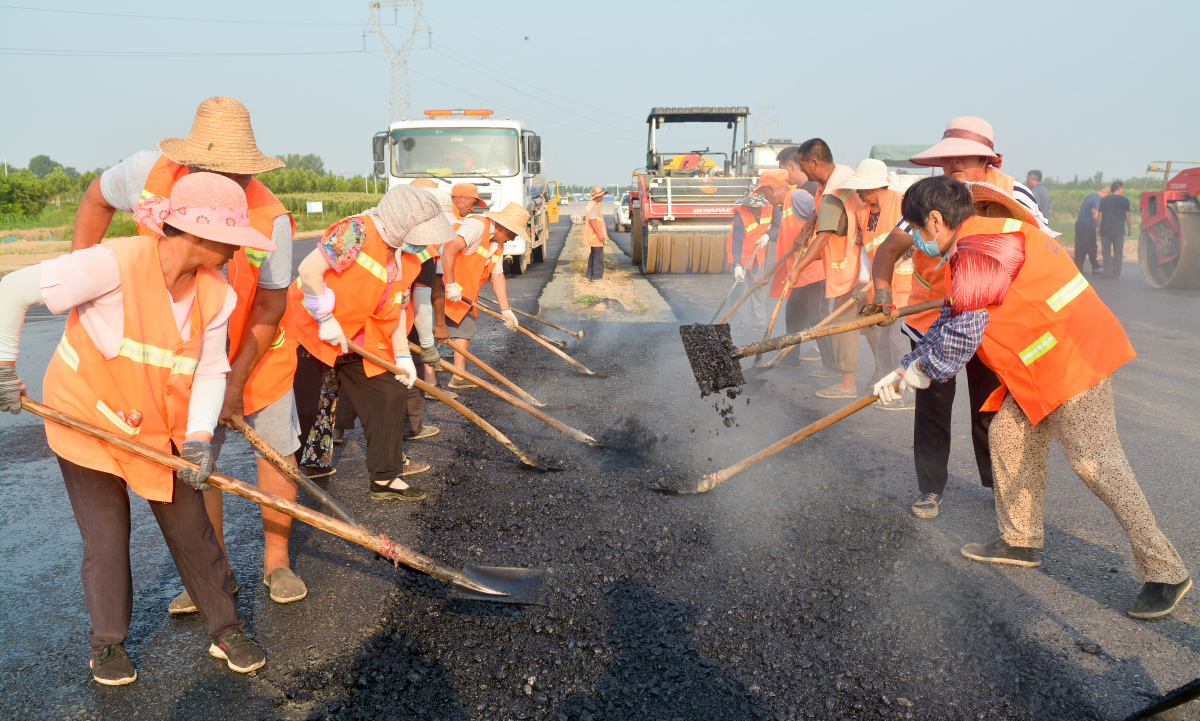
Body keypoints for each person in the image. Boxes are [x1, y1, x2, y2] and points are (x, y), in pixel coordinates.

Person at [875, 177, 1191, 620]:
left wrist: (918, 373)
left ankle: (1166, 570)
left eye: (917, 231)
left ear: (933, 220)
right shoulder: (980, 240)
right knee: (1007, 436)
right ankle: (1020, 540)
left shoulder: (978, 250)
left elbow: (963, 335)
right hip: (1039, 364)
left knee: (1095, 462)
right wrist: (901, 368)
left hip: (1076, 358)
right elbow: (951, 317)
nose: (918, 243)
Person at [0, 173, 272, 684]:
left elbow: (211, 370)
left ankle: (226, 628)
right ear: (196, 233)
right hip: (87, 417)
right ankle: (108, 646)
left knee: (192, 526)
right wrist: (2, 366)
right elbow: (11, 289)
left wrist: (197, 441)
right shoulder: (112, 263)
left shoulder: (217, 293)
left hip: (155, 424)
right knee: (106, 536)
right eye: (232, 238)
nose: (237, 250)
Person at [69, 96, 308, 613]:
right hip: (181, 354)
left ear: (249, 173)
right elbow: (95, 200)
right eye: (209, 171)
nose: (224, 184)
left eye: (236, 176)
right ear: (190, 162)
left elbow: (271, 301)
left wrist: (238, 378)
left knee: (275, 450)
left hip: (256, 350)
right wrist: (81, 273)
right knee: (199, 461)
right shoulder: (146, 173)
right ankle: (213, 574)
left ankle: (277, 560)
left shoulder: (272, 218)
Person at [863, 116, 1049, 520]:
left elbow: (1041, 250)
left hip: (992, 320)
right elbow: (889, 249)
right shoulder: (932, 197)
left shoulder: (1013, 195)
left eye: (959, 160)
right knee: (931, 405)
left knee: (990, 407)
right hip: (933, 315)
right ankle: (930, 488)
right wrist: (881, 291)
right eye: (945, 161)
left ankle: (996, 482)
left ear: (987, 161)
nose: (950, 169)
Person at [286, 184, 455, 502]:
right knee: (308, 409)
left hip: (354, 339)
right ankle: (290, 477)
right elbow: (309, 271)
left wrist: (402, 357)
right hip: (312, 331)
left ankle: (386, 478)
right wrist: (325, 318)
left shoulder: (404, 258)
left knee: (390, 392)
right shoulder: (356, 231)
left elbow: (394, 310)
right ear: (401, 222)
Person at [782, 139, 866, 399]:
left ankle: (847, 384)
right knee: (870, 325)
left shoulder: (831, 192)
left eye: (803, 165)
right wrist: (810, 221)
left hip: (850, 265)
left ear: (815, 162)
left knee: (842, 321)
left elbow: (824, 237)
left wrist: (798, 268)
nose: (802, 170)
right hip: (861, 263)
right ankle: (882, 374)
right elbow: (824, 214)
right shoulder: (840, 177)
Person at [835, 159, 914, 410]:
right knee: (879, 338)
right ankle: (886, 389)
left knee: (898, 339)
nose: (857, 193)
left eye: (861, 188)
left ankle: (905, 392)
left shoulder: (903, 203)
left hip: (905, 287)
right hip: (879, 288)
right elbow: (866, 252)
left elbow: (920, 235)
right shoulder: (861, 213)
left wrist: (910, 248)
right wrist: (862, 281)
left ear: (877, 187)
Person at [441, 200, 524, 383]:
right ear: (505, 228)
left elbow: (498, 276)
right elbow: (449, 249)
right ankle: (426, 380)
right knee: (433, 330)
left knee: (465, 326)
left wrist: (506, 311)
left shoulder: (497, 245)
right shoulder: (477, 226)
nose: (513, 239)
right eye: (514, 234)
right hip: (440, 280)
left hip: (464, 290)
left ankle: (458, 376)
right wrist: (450, 283)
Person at [751, 169, 820, 366]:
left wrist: (807, 228)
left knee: (817, 316)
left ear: (771, 188)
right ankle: (791, 358)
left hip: (813, 269)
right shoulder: (785, 206)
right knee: (793, 314)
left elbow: (821, 210)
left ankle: (830, 364)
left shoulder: (797, 196)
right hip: (798, 273)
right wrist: (768, 274)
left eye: (764, 192)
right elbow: (785, 251)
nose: (764, 197)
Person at [726, 191, 776, 331]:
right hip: (739, 255)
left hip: (757, 254)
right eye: (752, 206)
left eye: (758, 206)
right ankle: (738, 326)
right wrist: (737, 266)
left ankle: (759, 325)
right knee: (739, 290)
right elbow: (737, 242)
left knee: (758, 288)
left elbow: (778, 225)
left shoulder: (771, 207)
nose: (756, 210)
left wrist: (768, 235)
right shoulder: (740, 214)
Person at [1097, 181, 1132, 279]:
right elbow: (1127, 215)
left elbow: (1100, 215)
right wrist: (1129, 228)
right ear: (1120, 189)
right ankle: (1116, 273)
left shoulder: (1104, 200)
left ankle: (1107, 272)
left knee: (1106, 252)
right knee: (1118, 253)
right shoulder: (1125, 200)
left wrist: (1099, 227)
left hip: (1106, 230)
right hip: (1119, 231)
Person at [1074, 185, 1109, 274]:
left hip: (1081, 224)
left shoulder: (1091, 195)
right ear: (1105, 193)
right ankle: (1095, 267)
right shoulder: (1098, 198)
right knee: (1092, 246)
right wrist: (1099, 224)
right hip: (1087, 226)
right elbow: (1094, 211)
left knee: (1081, 248)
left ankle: (1078, 269)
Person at [583, 187, 609, 280]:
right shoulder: (593, 205)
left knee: (594, 255)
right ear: (597, 197)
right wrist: (600, 234)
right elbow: (592, 221)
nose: (602, 197)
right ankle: (596, 277)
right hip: (595, 235)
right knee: (598, 257)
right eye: (601, 196)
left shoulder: (593, 204)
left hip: (594, 235)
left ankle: (590, 274)